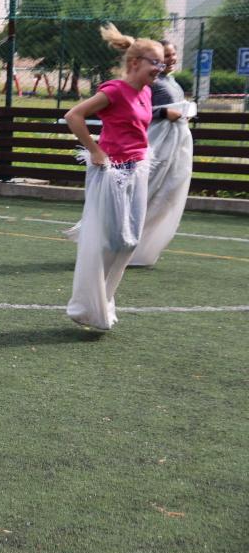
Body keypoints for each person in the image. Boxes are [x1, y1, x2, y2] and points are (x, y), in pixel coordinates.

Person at [63, 23, 164, 330]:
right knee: (109, 242)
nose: (160, 69)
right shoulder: (115, 90)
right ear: (134, 62)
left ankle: (102, 304)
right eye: (155, 62)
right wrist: (94, 150)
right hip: (111, 172)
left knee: (129, 243)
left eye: (162, 64)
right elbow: (73, 116)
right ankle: (84, 306)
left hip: (137, 169)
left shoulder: (146, 92)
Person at [129, 39, 195, 267]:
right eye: (165, 55)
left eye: (173, 54)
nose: (171, 59)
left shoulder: (172, 81)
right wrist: (164, 112)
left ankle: (145, 248)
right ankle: (124, 243)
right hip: (156, 141)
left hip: (176, 142)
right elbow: (136, 108)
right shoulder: (150, 81)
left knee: (167, 193)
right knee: (147, 189)